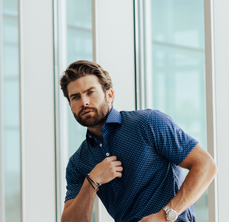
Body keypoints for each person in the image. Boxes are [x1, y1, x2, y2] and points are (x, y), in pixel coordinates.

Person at [60, 60, 218, 222]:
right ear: (70, 105)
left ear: (109, 95)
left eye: (90, 92)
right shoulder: (77, 163)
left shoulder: (148, 123)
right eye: (76, 97)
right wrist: (91, 181)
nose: (84, 102)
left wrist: (165, 216)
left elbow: (206, 165)